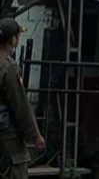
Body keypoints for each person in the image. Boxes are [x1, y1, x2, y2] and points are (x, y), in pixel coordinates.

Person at [0, 18, 45, 179]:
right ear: (13, 39)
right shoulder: (9, 67)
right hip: (8, 140)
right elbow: (20, 105)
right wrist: (35, 135)